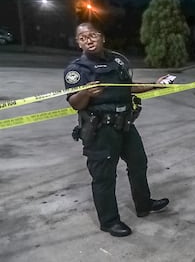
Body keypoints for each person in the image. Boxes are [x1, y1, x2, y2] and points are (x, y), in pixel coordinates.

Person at [64, 22, 169, 237]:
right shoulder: (76, 70)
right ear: (78, 43)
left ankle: (144, 204)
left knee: (139, 163)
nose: (89, 40)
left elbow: (127, 86)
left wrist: (155, 84)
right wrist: (86, 94)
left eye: (92, 35)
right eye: (83, 38)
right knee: (104, 176)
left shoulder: (117, 61)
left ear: (102, 37)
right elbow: (75, 103)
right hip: (100, 130)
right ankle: (109, 221)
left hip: (125, 124)